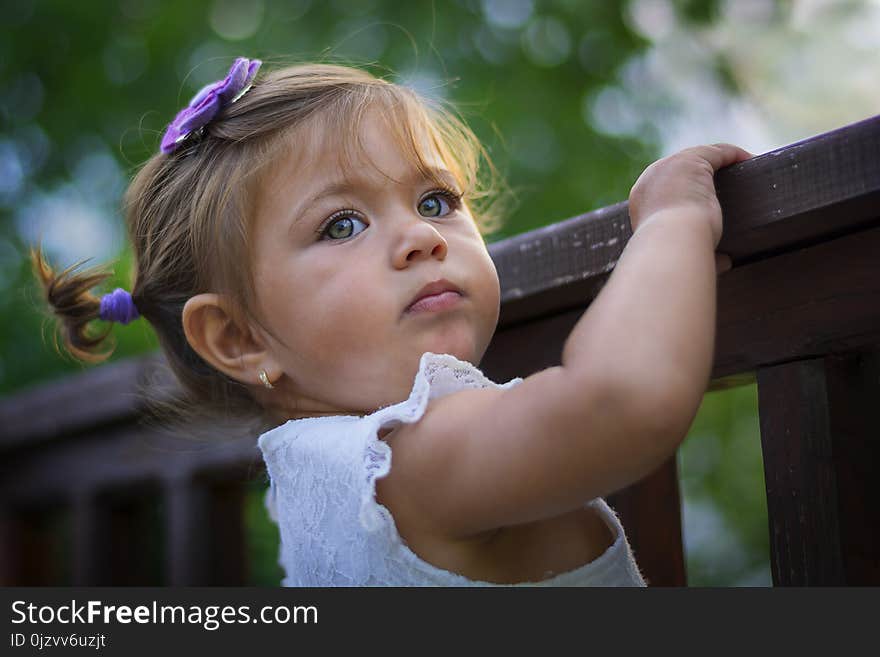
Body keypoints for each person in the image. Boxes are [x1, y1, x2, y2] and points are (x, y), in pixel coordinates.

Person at [31, 56, 749, 586]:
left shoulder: (320, 478)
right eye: (343, 224)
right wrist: (671, 225)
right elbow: (622, 400)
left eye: (436, 201)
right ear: (238, 337)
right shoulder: (409, 464)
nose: (421, 236)